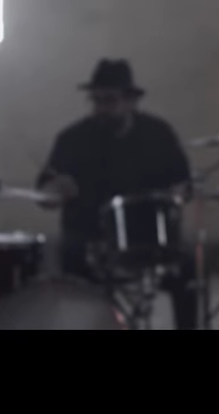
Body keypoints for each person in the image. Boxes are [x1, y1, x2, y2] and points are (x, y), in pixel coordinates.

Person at [36, 59, 197, 329]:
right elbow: (44, 192)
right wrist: (55, 191)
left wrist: (178, 195)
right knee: (67, 256)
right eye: (96, 100)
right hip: (88, 242)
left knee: (188, 269)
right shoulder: (72, 139)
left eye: (109, 100)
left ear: (131, 101)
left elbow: (185, 184)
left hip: (149, 241)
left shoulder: (158, 134)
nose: (101, 108)